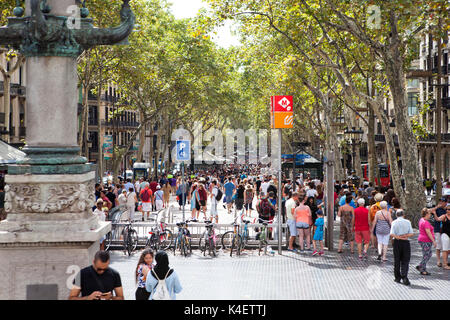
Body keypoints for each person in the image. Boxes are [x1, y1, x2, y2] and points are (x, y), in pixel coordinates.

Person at [390, 209, 414, 285]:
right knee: (405, 260)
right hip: (406, 242)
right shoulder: (408, 222)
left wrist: (398, 237)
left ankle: (397, 277)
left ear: (396, 215)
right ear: (403, 214)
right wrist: (405, 236)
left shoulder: (394, 222)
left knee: (396, 260)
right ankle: (404, 277)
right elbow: (411, 233)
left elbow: (391, 234)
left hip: (397, 242)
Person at [416, 208, 436, 275]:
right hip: (426, 240)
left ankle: (421, 266)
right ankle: (422, 269)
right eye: (429, 214)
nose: (430, 215)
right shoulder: (426, 222)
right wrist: (433, 241)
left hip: (423, 240)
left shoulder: (421, 220)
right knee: (427, 254)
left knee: (427, 254)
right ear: (427, 214)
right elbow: (428, 233)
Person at [429, 198, 447, 267]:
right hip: (437, 229)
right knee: (438, 245)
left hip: (445, 230)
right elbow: (429, 211)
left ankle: (444, 261)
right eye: (440, 201)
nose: (441, 203)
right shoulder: (437, 209)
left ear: (446, 202)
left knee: (445, 246)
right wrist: (437, 207)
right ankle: (438, 261)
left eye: (443, 202)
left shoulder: (447, 209)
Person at [432, 204, 450, 270]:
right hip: (445, 234)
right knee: (445, 249)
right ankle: (445, 264)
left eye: (449, 209)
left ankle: (446, 262)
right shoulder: (444, 216)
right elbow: (437, 219)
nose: (448, 211)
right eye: (447, 209)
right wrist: (434, 213)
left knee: (448, 250)